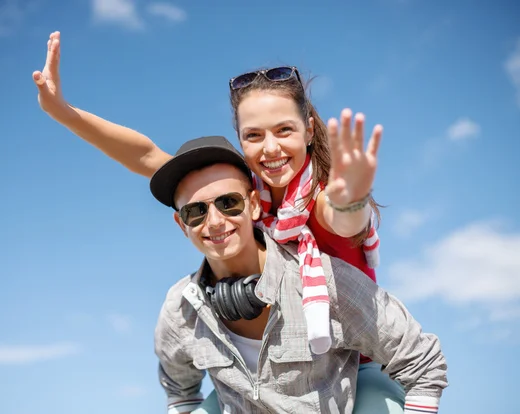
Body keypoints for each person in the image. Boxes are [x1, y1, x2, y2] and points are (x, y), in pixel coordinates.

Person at [31, 32, 402, 412]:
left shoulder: (322, 199)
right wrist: (63, 111)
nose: (270, 148)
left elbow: (342, 219)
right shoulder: (236, 196)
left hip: (356, 368)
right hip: (277, 375)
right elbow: (145, 155)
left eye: (284, 130)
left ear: (309, 129)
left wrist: (352, 196)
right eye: (254, 135)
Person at [148, 135, 447, 414]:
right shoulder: (180, 308)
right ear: (180, 223)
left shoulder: (323, 282)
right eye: (195, 211)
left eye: (229, 203)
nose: (214, 222)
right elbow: (179, 391)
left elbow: (422, 360)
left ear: (253, 205)